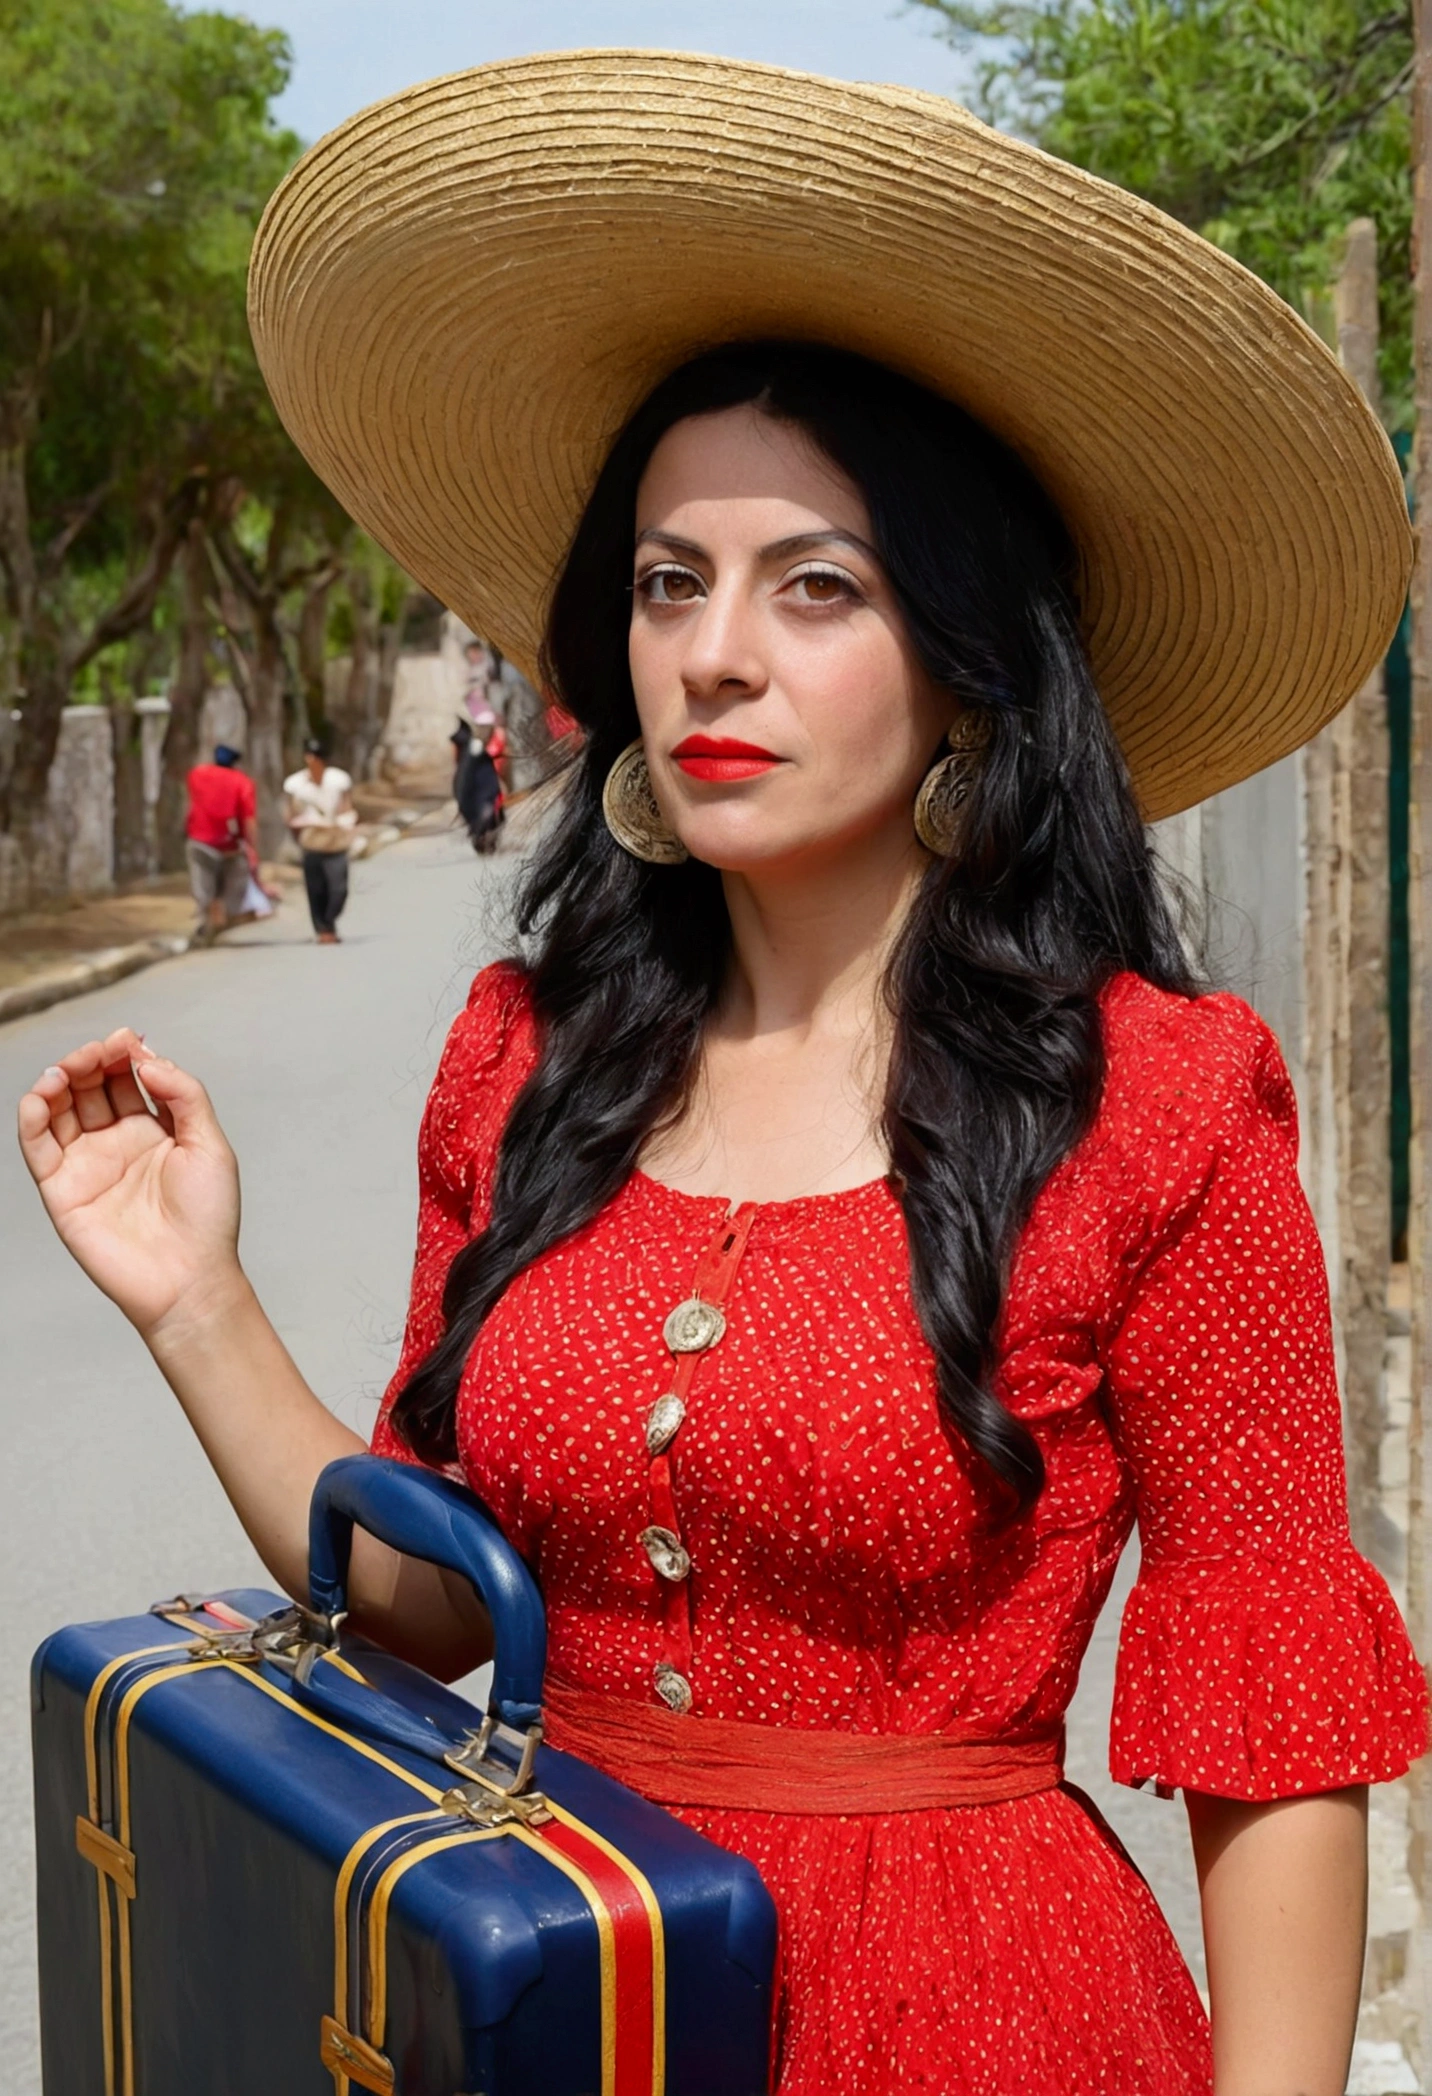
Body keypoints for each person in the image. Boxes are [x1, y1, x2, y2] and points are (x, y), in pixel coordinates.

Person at [18, 56, 1429, 2096]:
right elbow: (428, 1596)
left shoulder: (1158, 1101)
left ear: (966, 660)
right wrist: (198, 1304)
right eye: (670, 582)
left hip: (981, 2023)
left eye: (816, 587)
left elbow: (1268, 1711)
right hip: (549, 1995)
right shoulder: (528, 1059)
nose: (715, 654)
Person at [283, 736, 356, 944]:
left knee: (338, 889)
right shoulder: (295, 784)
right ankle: (324, 930)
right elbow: (291, 814)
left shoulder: (339, 780)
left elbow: (346, 807)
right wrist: (300, 836)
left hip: (335, 839)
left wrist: (346, 826)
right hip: (311, 840)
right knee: (316, 889)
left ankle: (329, 920)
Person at [183, 743, 257, 943]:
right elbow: (249, 820)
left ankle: (203, 921)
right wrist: (252, 848)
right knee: (232, 886)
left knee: (202, 885)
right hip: (229, 847)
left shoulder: (197, 774)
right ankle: (222, 920)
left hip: (198, 841)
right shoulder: (242, 782)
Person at [449, 716, 504, 854]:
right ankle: (485, 837)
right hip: (482, 798)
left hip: (481, 798)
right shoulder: (471, 751)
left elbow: (465, 782)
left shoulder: (471, 752)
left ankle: (485, 837)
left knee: (484, 818)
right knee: (485, 818)